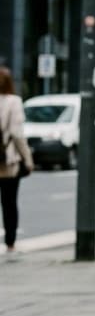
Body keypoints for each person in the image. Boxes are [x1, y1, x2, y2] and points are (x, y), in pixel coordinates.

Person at [0, 67, 34, 255]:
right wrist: (28, 159)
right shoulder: (13, 102)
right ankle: (10, 242)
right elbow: (17, 134)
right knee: (9, 202)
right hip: (7, 161)